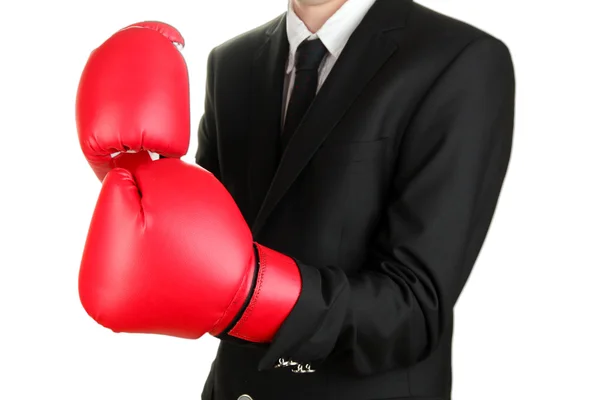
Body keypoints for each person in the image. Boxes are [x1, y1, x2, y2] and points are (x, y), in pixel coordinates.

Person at [75, 1, 515, 399]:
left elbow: (415, 310)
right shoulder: (231, 63)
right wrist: (134, 175)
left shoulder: (458, 60)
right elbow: (203, 251)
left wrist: (257, 295)